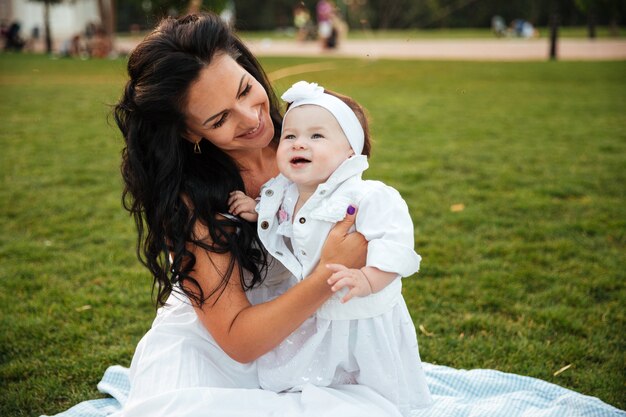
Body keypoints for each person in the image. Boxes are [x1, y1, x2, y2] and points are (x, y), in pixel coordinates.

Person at [112, 12, 405, 417]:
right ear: (189, 133)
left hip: (314, 337)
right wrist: (328, 272)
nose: (251, 118)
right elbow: (238, 340)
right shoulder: (190, 198)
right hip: (220, 351)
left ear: (248, 68)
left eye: (245, 89)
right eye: (219, 119)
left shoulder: (306, 137)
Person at [228, 81, 432, 415]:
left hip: (359, 313)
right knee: (313, 377)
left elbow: (393, 246)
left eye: (316, 136)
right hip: (314, 306)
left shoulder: (368, 196)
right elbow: (282, 223)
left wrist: (367, 279)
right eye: (290, 136)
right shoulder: (286, 192)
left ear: (350, 150)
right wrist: (256, 211)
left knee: (369, 387)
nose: (299, 144)